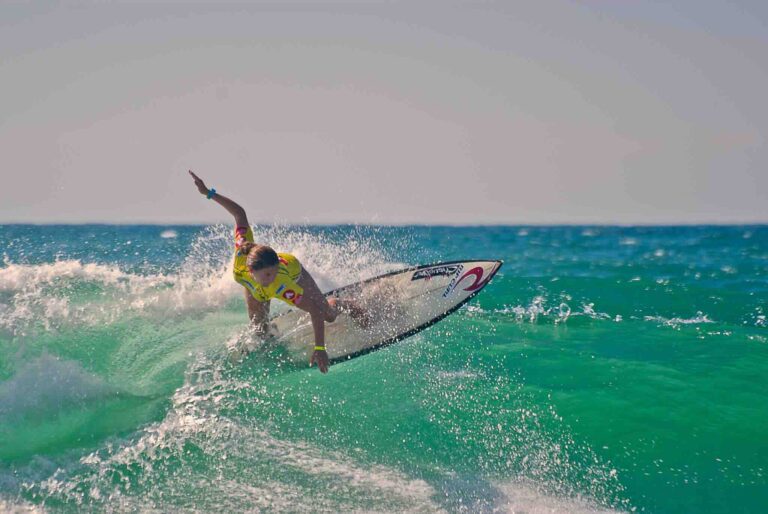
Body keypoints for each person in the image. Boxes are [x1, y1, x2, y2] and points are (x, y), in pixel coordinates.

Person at [189, 170, 342, 373]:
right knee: (259, 331)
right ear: (251, 270)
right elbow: (239, 214)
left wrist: (320, 348)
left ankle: (340, 303)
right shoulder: (242, 252)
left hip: (293, 270)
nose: (272, 277)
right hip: (255, 287)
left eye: (273, 273)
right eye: (268, 274)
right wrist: (207, 193)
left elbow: (314, 309)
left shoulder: (280, 283)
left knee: (327, 315)